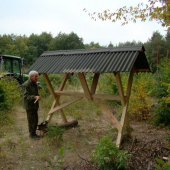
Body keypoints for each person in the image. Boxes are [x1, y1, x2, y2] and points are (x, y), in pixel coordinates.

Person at [22, 70, 41, 139]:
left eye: (37, 76)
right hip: (29, 106)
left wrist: (38, 96)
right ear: (31, 77)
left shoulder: (35, 84)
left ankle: (34, 134)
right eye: (35, 76)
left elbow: (35, 93)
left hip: (35, 105)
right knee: (31, 120)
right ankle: (32, 135)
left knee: (35, 120)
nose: (37, 78)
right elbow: (25, 96)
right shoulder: (26, 85)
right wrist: (34, 97)